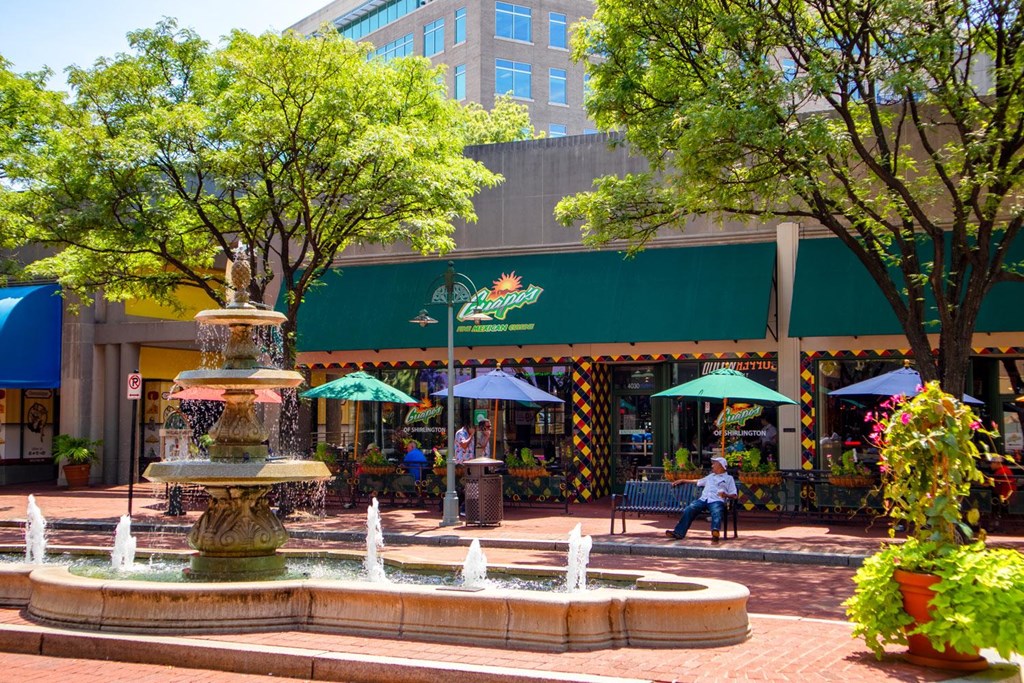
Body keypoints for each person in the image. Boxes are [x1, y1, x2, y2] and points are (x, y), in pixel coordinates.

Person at [665, 456, 737, 543]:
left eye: (714, 464)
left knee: (716, 511)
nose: (712, 466)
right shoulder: (710, 476)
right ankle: (678, 533)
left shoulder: (729, 479)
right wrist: (683, 480)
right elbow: (697, 481)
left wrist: (726, 495)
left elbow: (734, 495)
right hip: (703, 500)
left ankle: (715, 531)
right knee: (690, 508)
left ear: (721, 466)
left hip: (716, 500)